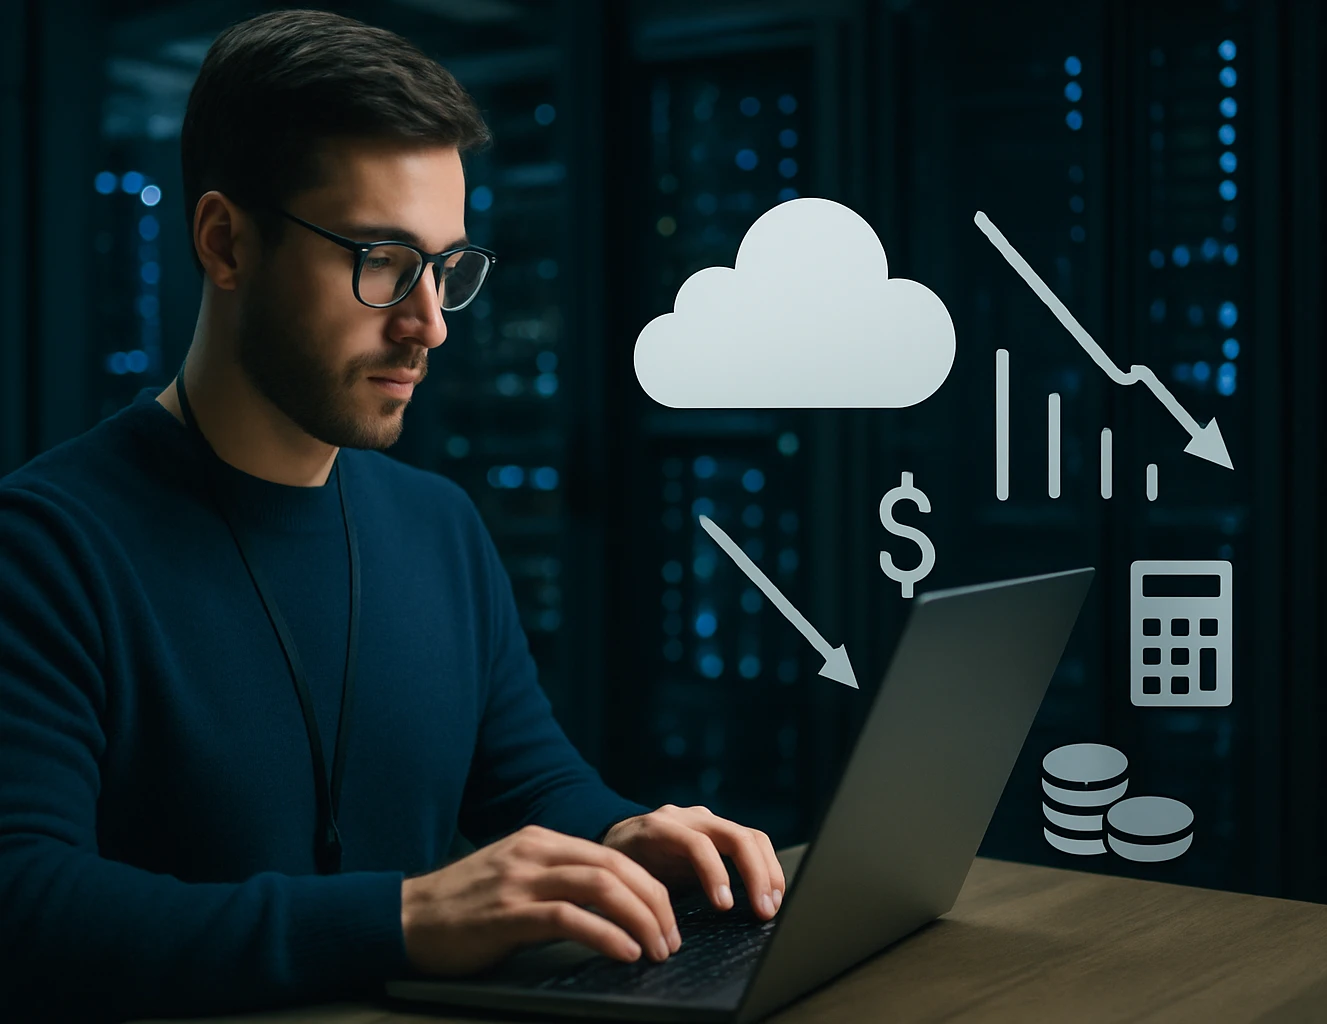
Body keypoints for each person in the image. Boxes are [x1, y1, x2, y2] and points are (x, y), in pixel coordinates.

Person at [0, 9, 783, 1021]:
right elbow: (24, 904)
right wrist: (404, 918)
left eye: (448, 266)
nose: (429, 323)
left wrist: (626, 835)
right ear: (225, 242)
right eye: (381, 260)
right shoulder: (45, 546)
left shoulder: (438, 527)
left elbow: (534, 785)